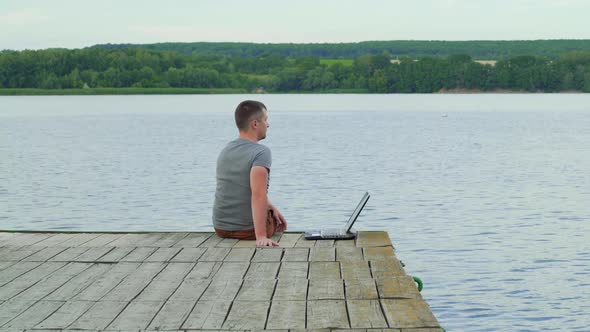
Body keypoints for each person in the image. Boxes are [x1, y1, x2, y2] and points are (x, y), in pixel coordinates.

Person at [212, 100, 287, 246]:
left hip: (221, 228)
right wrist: (261, 236)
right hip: (248, 230)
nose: (268, 124)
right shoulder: (261, 152)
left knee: (268, 209)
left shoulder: (226, 150)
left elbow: (239, 187)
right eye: (265, 120)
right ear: (255, 124)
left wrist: (270, 206)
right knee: (275, 223)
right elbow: (258, 194)